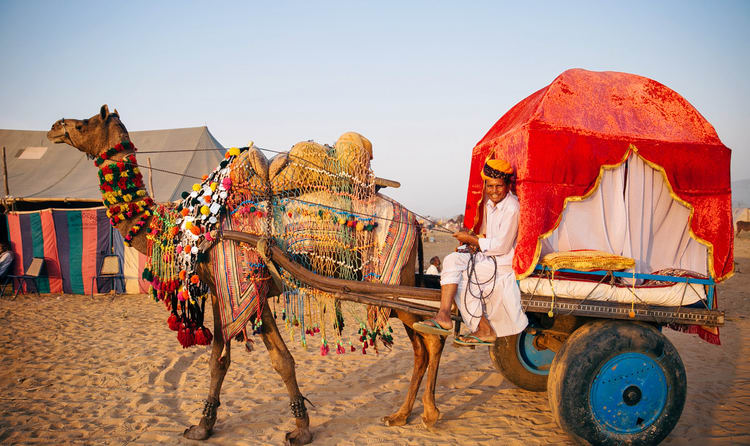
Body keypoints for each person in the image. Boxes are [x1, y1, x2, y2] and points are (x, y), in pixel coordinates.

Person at [413, 158, 528, 345]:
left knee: (463, 277)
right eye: (490, 186)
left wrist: (473, 240)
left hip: (502, 263)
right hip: (488, 257)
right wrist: (473, 241)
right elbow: (490, 237)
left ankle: (483, 329)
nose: (494, 191)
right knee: (451, 260)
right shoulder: (491, 205)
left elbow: (502, 246)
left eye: (498, 186)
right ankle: (443, 315)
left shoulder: (512, 208)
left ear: (507, 185)